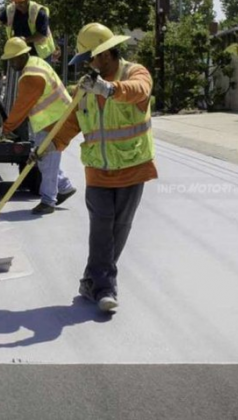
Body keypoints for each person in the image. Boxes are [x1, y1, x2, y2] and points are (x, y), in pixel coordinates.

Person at [49, 23, 158, 313]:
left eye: (90, 58)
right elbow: (70, 124)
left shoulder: (135, 73)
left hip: (132, 166)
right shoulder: (84, 88)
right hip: (97, 170)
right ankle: (106, 289)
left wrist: (109, 89)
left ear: (106, 54)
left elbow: (139, 91)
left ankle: (91, 282)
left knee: (118, 230)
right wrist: (49, 146)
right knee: (101, 228)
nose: (87, 65)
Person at [0, 37, 76, 215]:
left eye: (13, 59)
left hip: (54, 121)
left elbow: (22, 107)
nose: (11, 64)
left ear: (22, 56)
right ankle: (65, 187)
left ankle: (48, 201)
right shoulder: (36, 62)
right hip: (54, 117)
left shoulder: (30, 76)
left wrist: (5, 130)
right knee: (45, 159)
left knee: (47, 160)